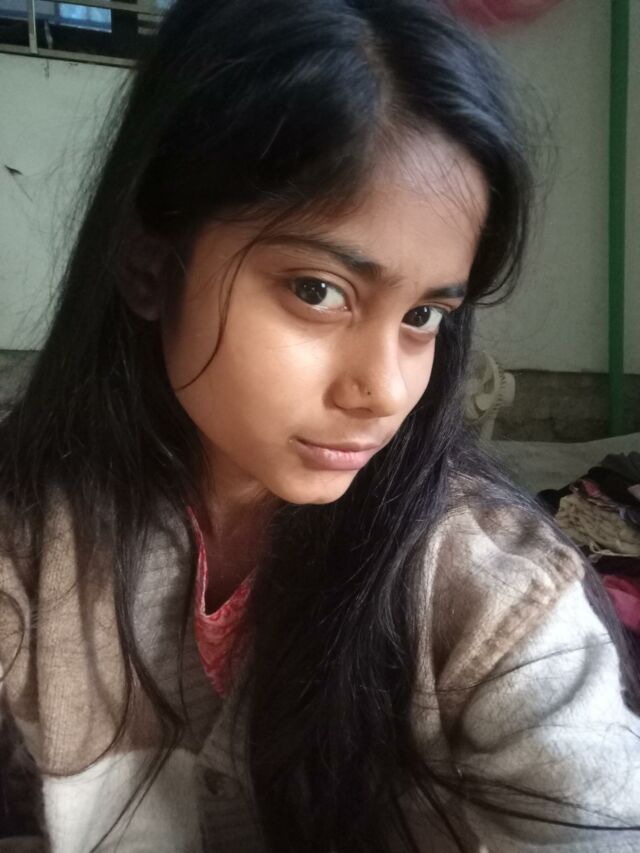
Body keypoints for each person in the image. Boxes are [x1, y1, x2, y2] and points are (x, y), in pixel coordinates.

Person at [0, 0, 638, 851]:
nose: (383, 390)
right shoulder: (28, 539)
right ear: (150, 262)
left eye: (424, 315)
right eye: (317, 291)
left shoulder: (498, 601)